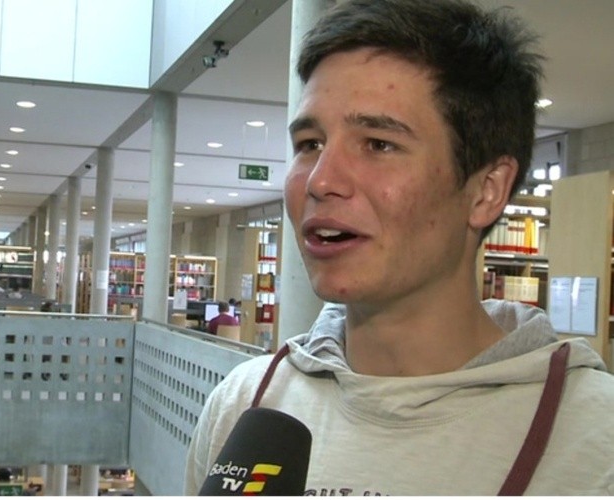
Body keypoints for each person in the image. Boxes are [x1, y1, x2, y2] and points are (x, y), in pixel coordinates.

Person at [184, 0, 614, 495]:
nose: (321, 180)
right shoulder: (245, 405)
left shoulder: (591, 441)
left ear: (486, 190)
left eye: (378, 144)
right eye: (309, 144)